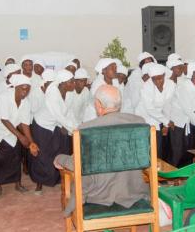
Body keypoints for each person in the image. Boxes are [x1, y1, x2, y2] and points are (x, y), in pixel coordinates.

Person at [54, 84, 150, 216]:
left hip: (99, 197)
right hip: (132, 191)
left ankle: (88, 227)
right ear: (119, 104)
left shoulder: (87, 129)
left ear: (98, 105)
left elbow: (76, 163)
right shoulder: (140, 123)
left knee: (81, 178)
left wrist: (59, 159)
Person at [0, 74, 39, 197]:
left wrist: (32, 143)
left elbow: (24, 123)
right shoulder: (3, 98)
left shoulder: (25, 102)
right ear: (16, 87)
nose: (25, 91)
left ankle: (17, 184)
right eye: (22, 88)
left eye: (28, 89)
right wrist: (20, 136)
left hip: (11, 132)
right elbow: (4, 120)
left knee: (15, 157)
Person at [29, 70, 77, 194]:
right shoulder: (52, 93)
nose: (74, 84)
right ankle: (39, 184)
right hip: (42, 125)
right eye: (71, 81)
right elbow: (58, 115)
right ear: (63, 83)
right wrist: (76, 130)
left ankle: (57, 179)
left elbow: (69, 112)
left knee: (58, 152)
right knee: (42, 155)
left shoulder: (70, 93)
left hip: (56, 125)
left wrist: (75, 126)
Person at [135, 64, 174, 158]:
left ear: (164, 75)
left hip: (158, 118)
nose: (157, 81)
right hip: (144, 118)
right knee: (147, 148)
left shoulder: (171, 84)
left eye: (159, 78)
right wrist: (166, 121)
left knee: (157, 149)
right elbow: (150, 109)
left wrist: (165, 124)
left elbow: (168, 105)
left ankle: (156, 170)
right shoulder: (147, 86)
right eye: (154, 79)